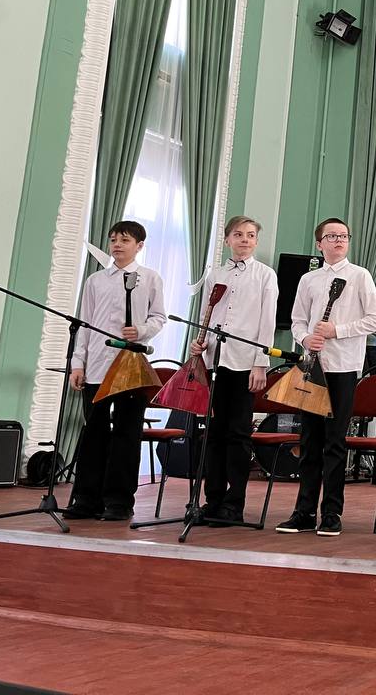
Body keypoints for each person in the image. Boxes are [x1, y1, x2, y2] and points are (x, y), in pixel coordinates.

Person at [276, 217, 376, 537]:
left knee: (335, 442)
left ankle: (332, 512)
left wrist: (339, 330)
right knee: (309, 441)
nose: (339, 240)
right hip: (313, 367)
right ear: (319, 244)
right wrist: (305, 338)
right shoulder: (308, 279)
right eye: (332, 236)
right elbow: (297, 320)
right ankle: (304, 511)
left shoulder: (360, 276)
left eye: (343, 236)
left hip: (343, 367)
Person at [65, 220, 166, 521]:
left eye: (125, 240)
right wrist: (77, 363)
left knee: (126, 433)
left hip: (130, 366)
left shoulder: (149, 278)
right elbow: (84, 324)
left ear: (139, 246)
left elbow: (159, 317)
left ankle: (119, 502)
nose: (118, 245)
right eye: (113, 240)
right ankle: (86, 499)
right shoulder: (95, 280)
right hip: (96, 365)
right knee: (93, 432)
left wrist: (141, 330)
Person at [188, 216, 278, 527]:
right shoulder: (216, 275)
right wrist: (199, 344)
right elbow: (208, 314)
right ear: (227, 239)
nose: (245, 240)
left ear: (256, 241)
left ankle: (234, 503)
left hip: (245, 363)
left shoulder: (265, 275)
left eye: (251, 235)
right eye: (238, 234)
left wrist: (260, 362)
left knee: (238, 434)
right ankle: (212, 500)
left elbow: (267, 322)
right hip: (215, 361)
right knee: (213, 433)